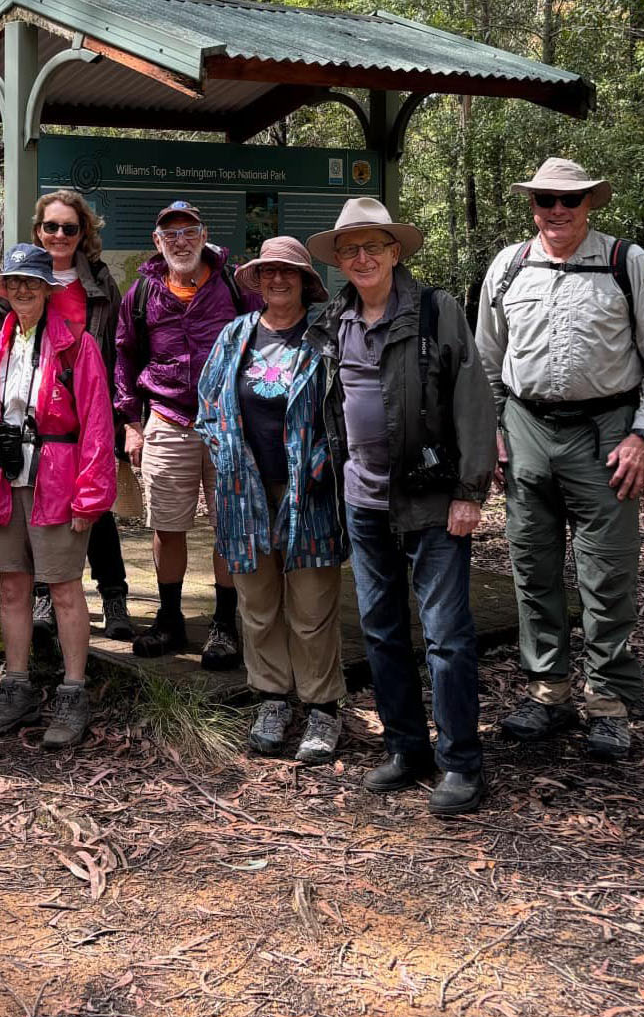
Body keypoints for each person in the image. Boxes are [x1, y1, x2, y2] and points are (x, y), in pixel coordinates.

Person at [475, 158, 644, 761]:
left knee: (607, 572)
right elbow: (486, 357)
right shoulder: (510, 265)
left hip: (606, 433)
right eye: (546, 199)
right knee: (532, 567)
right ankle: (549, 693)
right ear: (533, 205)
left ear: (590, 203)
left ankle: (610, 703)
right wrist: (490, 427)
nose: (557, 211)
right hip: (526, 429)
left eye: (570, 200)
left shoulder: (626, 262)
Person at [306, 197, 496, 817]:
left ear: (394, 252)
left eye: (373, 247)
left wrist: (470, 491)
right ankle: (407, 747)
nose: (362, 258)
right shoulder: (334, 320)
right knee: (383, 633)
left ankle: (461, 764)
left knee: (445, 636)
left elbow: (472, 398)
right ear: (339, 260)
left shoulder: (436, 311)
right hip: (363, 500)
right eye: (350, 249)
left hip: (434, 500)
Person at [196, 237, 344, 762]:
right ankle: (273, 698)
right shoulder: (235, 335)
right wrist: (228, 454)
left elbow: (347, 410)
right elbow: (208, 407)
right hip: (244, 492)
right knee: (258, 605)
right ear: (256, 281)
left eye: (288, 272)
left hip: (311, 491)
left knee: (311, 608)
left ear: (306, 280)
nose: (277, 280)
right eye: (268, 273)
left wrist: (325, 461)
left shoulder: (327, 339)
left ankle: (323, 708)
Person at [0, 243, 117, 750]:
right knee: (12, 586)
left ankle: (74, 692)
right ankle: (17, 686)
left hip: (57, 478)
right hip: (5, 479)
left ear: (49, 289)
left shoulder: (77, 345)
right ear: (4, 290)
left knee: (64, 586)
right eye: (14, 282)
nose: (23, 290)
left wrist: (91, 494)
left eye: (32, 281)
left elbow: (97, 420)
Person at [0, 188, 133, 641]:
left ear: (83, 234)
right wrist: (7, 359)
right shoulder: (23, 278)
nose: (59, 234)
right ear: (39, 231)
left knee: (94, 507)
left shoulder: (97, 280)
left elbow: (119, 344)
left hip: (87, 404)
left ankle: (114, 594)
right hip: (33, 414)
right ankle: (43, 595)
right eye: (51, 226)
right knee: (36, 510)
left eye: (69, 228)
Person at [117, 200, 257, 667]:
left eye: (188, 231)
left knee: (228, 526)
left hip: (228, 423)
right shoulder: (141, 294)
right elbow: (125, 358)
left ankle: (224, 624)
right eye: (170, 233)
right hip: (167, 419)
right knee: (167, 525)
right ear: (158, 242)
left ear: (204, 234)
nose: (180, 240)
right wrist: (131, 423)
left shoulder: (235, 287)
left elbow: (263, 343)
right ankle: (170, 619)